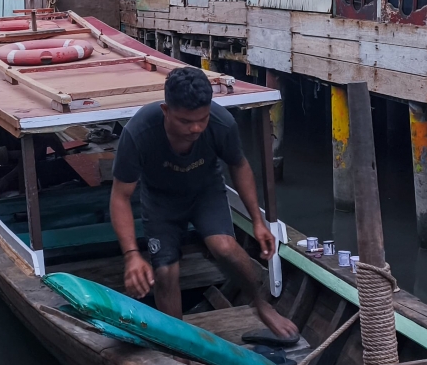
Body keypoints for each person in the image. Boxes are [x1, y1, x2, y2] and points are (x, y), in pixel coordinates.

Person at [110, 67, 298, 338]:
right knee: (165, 272)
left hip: (205, 192)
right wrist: (131, 255)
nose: (196, 128)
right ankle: (179, 339)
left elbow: (239, 165)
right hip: (161, 201)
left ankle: (260, 304)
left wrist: (258, 221)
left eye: (202, 119)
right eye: (186, 121)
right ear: (166, 110)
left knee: (225, 248)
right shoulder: (139, 132)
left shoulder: (222, 124)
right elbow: (120, 196)